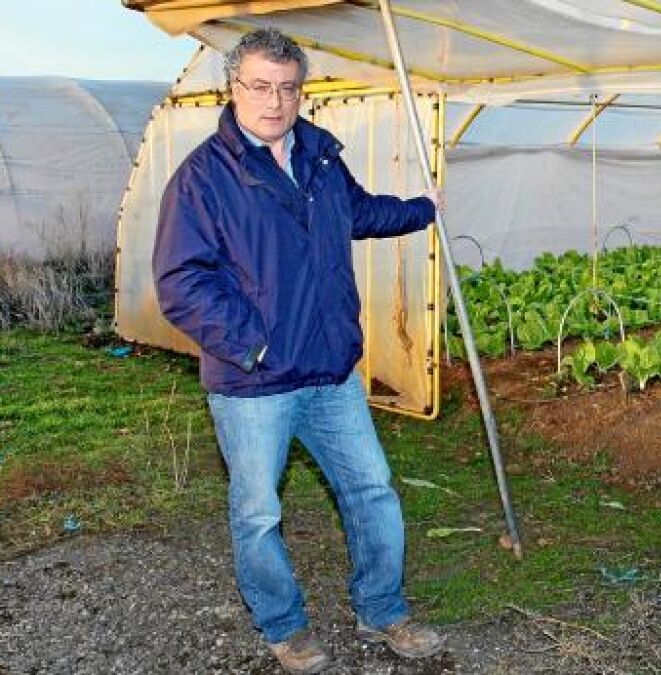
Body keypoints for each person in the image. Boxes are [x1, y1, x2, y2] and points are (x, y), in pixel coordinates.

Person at [153, 28, 444, 674]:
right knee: (258, 512)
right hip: (254, 384)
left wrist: (421, 209)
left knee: (372, 489)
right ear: (233, 88)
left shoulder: (319, 157)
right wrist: (253, 346)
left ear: (301, 92)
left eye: (288, 88)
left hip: (330, 371)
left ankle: (382, 608)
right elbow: (180, 282)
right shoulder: (203, 178)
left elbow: (358, 213)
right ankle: (284, 625)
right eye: (260, 86)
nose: (275, 100)